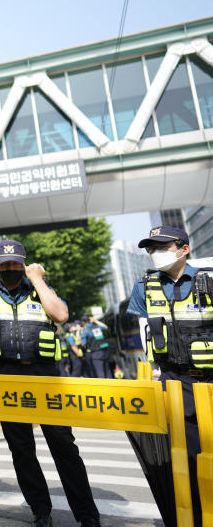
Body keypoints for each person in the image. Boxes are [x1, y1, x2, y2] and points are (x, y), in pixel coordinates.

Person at [0, 239, 100, 527]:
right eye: (5, 264)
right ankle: (41, 511)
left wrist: (37, 279)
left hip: (44, 377)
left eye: (16, 263)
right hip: (5, 377)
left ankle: (87, 515)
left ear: (24, 263)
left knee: (64, 446)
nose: (11, 268)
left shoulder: (39, 289)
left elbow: (61, 315)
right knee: (21, 449)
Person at [127, 224, 212, 527]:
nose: (155, 254)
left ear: (184, 248)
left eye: (162, 247)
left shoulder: (209, 281)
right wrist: (149, 373)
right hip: (175, 384)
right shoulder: (144, 286)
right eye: (151, 248)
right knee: (186, 459)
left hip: (211, 381)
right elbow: (144, 331)